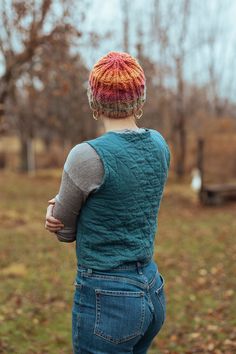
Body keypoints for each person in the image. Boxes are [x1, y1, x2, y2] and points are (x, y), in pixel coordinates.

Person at [45, 51, 171, 354]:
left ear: (95, 102)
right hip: (152, 288)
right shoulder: (159, 145)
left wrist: (53, 211)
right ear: (140, 100)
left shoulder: (85, 156)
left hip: (108, 299)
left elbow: (65, 231)